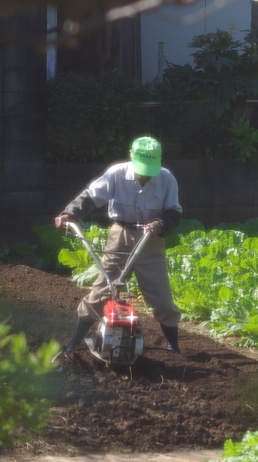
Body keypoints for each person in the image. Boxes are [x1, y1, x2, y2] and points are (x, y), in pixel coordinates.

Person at [54, 136, 183, 354]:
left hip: (150, 240)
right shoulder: (117, 173)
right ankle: (73, 343)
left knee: (161, 297)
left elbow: (174, 213)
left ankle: (173, 346)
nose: (144, 174)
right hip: (120, 234)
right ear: (131, 156)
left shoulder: (166, 178)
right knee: (101, 290)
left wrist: (159, 224)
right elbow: (90, 197)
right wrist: (69, 214)